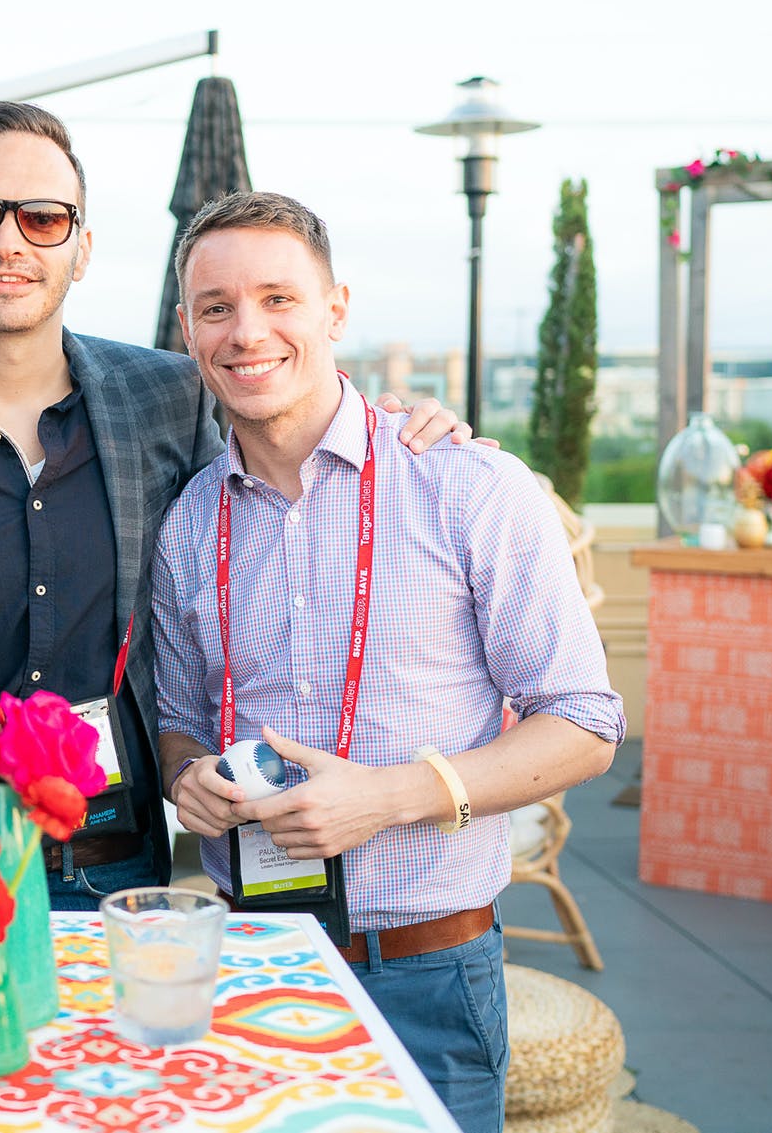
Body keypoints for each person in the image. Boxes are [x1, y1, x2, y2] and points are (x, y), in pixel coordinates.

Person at [0, 101, 477, 909]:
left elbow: (269, 492)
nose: (9, 241)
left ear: (81, 249)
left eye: (43, 218)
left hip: (111, 866)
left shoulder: (167, 397)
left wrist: (396, 428)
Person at [152, 190, 625, 1133]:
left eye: (278, 299)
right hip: (253, 960)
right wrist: (187, 778)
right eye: (216, 307)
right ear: (189, 331)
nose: (247, 331)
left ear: (335, 309)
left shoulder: (470, 485)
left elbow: (585, 724)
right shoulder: (187, 522)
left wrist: (387, 796)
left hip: (427, 976)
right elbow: (179, 724)